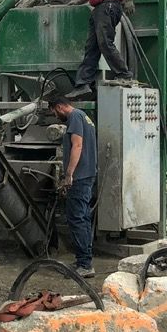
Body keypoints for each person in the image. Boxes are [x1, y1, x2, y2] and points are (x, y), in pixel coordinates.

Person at [72, 0, 134, 95]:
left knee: (105, 42)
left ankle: (124, 75)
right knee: (91, 47)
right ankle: (83, 84)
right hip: (99, 9)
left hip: (108, 6)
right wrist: (78, 2)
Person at [47, 91, 97, 278]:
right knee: (82, 217)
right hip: (88, 173)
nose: (56, 116)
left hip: (80, 175)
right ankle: (83, 260)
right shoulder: (84, 116)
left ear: (59, 107)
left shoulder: (75, 117)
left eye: (54, 112)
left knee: (76, 218)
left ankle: (85, 264)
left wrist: (68, 174)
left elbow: (77, 146)